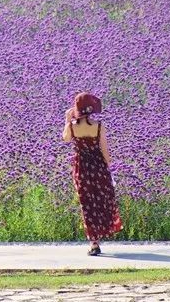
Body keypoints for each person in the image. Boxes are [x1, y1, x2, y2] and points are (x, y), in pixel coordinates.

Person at [62, 92, 122, 255]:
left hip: (81, 168)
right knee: (101, 199)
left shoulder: (73, 126)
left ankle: (93, 242)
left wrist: (68, 121)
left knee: (87, 204)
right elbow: (104, 149)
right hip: (98, 167)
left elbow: (66, 139)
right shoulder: (99, 126)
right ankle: (100, 234)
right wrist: (109, 169)